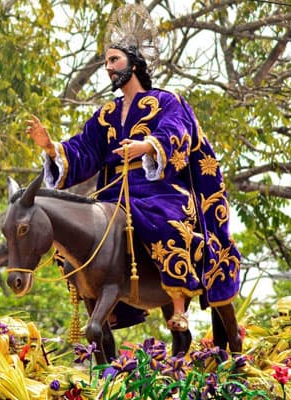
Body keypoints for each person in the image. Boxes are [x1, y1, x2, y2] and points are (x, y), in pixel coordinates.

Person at [26, 13, 241, 332]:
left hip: (158, 191)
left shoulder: (166, 101)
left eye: (114, 60)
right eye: (106, 63)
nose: (109, 68)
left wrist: (147, 147)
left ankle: (178, 304)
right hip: (113, 194)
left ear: (135, 63)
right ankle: (103, 304)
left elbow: (178, 131)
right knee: (72, 239)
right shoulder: (105, 114)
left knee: (163, 225)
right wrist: (51, 148)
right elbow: (85, 150)